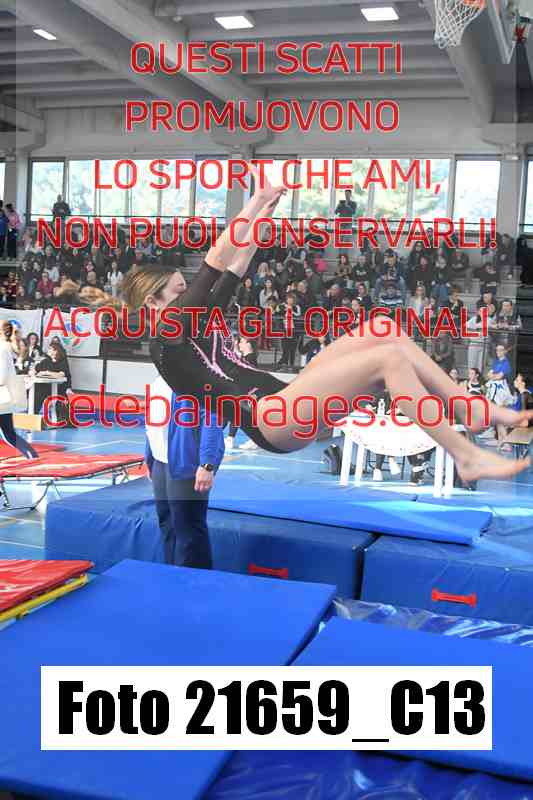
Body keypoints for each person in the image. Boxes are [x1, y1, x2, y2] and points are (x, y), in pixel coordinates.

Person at [121, 165, 532, 483]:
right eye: (178, 291)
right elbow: (216, 258)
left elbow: (237, 263)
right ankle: (465, 454)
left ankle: (466, 406)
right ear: (154, 303)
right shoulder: (167, 337)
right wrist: (256, 198)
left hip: (284, 399)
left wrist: (265, 212)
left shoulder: (197, 321)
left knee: (383, 330)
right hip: (269, 418)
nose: (186, 293)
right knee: (387, 360)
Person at [145, 376, 224, 568]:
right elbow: (152, 421)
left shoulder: (195, 377)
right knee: (167, 524)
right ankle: (172, 573)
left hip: (186, 462)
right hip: (160, 461)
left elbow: (211, 418)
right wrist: (149, 458)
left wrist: (207, 463)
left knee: (188, 528)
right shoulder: (157, 382)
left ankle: (193, 579)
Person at [0, 321, 38, 458]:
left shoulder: (2, 349)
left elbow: (1, 377)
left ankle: (32, 456)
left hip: (2, 396)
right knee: (9, 434)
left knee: (9, 434)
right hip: (4, 397)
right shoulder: (5, 348)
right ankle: (32, 456)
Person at [225, 337, 259, 452]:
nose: (240, 344)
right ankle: (231, 439)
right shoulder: (247, 358)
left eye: (242, 342)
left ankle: (232, 439)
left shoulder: (250, 358)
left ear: (249, 344)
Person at [33, 342, 71, 424]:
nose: (49, 350)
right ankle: (33, 416)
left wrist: (47, 373)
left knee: (60, 396)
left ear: (56, 351)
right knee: (37, 393)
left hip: (58, 388)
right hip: (45, 387)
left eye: (51, 349)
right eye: (49, 349)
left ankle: (61, 420)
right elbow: (36, 370)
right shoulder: (45, 361)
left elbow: (61, 374)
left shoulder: (62, 361)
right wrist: (36, 372)